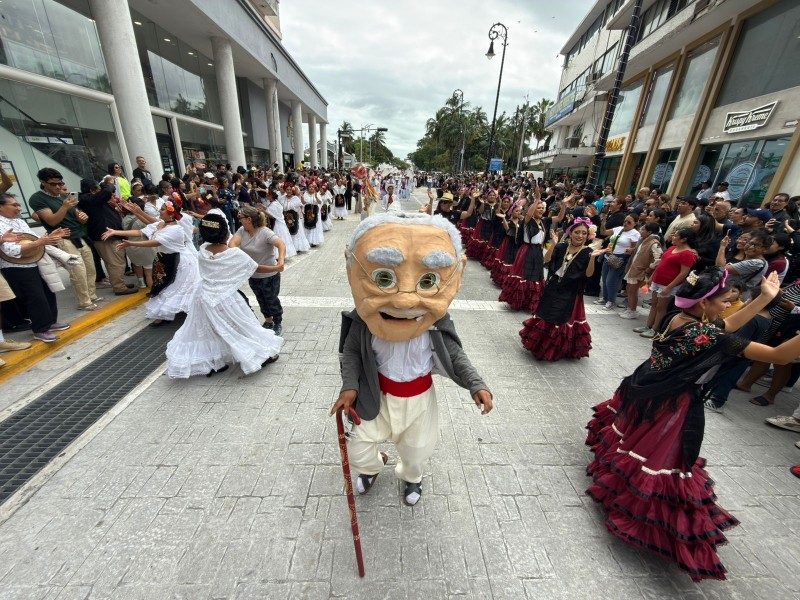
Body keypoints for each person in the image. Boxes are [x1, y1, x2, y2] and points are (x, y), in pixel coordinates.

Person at [585, 267, 800, 581]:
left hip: (650, 388)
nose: (730, 306)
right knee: (664, 461)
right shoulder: (706, 335)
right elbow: (779, 356)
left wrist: (764, 299)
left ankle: (623, 493)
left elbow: (725, 325)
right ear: (703, 303)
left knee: (639, 446)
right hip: (674, 403)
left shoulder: (680, 318)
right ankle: (649, 520)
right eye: (726, 300)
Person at [331, 212, 492, 507]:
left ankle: (411, 476)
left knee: (417, 451)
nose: (405, 302)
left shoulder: (435, 326)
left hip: (418, 400)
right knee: (358, 449)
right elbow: (351, 353)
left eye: (428, 280)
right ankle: (373, 466)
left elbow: (456, 356)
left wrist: (476, 384)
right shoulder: (364, 324)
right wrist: (349, 387)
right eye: (383, 278)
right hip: (376, 394)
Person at [165, 214, 281, 378]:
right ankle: (258, 355)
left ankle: (213, 363)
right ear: (226, 234)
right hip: (225, 298)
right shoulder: (234, 254)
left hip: (203, 297)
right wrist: (277, 267)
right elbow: (256, 267)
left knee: (208, 331)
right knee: (242, 327)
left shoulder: (203, 249)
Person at [519, 218, 602, 360]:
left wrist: (593, 258)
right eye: (577, 232)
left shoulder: (588, 251)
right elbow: (546, 260)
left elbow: (588, 275)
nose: (580, 236)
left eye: (584, 233)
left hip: (571, 291)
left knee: (561, 318)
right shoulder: (562, 247)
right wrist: (554, 244)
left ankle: (556, 349)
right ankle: (542, 344)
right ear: (570, 233)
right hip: (553, 287)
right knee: (546, 313)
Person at [105, 199, 199, 325]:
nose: (160, 211)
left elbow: (156, 242)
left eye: (163, 209)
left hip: (178, 262)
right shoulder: (160, 224)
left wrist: (131, 243)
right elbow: (140, 232)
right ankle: (163, 313)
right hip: (163, 260)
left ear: (171, 213)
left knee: (175, 287)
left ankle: (172, 312)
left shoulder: (176, 229)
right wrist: (116, 232)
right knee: (163, 287)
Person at [0, 194, 71, 343]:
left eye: (18, 205)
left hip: (34, 261)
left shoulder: (20, 221)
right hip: (16, 266)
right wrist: (40, 242)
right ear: (1, 207)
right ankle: (40, 329)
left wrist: (49, 237)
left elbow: (34, 239)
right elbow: (11, 250)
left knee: (47, 292)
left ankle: (50, 322)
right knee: (34, 297)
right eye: (14, 205)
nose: (19, 208)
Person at [29, 168, 99, 310]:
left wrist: (83, 217)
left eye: (60, 183)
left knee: (90, 268)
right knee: (78, 271)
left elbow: (79, 216)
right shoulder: (37, 198)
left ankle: (91, 295)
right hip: (63, 238)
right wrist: (64, 207)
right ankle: (84, 302)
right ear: (43, 183)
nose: (58, 187)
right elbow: (51, 221)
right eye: (53, 184)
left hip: (79, 235)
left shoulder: (63, 195)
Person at [231, 205, 286, 335]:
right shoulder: (242, 231)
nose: (239, 220)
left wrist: (281, 260)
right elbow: (232, 244)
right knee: (261, 299)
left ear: (249, 219)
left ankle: (277, 322)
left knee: (271, 299)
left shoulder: (265, 232)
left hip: (270, 275)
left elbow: (280, 244)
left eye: (241, 217)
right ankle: (268, 320)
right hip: (253, 274)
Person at [77, 178, 138, 298]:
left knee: (116, 262)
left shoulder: (93, 199)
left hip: (110, 234)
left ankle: (119, 283)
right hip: (106, 236)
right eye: (99, 189)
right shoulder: (87, 199)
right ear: (92, 190)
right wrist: (109, 184)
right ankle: (119, 287)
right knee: (116, 263)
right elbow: (106, 192)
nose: (102, 191)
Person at [636, 228, 698, 338]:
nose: (672, 237)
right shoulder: (672, 248)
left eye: (676, 236)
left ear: (684, 239)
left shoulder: (688, 254)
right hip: (658, 281)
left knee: (661, 307)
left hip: (669, 284)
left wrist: (669, 287)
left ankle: (655, 329)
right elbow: (661, 264)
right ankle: (648, 325)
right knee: (654, 304)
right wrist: (652, 278)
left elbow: (683, 273)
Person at [595, 213, 641, 310]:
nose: (625, 223)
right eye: (625, 221)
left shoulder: (635, 234)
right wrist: (603, 223)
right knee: (604, 279)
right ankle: (605, 298)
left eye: (629, 222)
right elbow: (603, 232)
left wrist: (629, 250)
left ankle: (611, 300)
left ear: (635, 223)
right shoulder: (618, 228)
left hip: (620, 259)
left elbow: (635, 248)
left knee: (611, 281)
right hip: (608, 256)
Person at [620, 222, 663, 320]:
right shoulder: (644, 240)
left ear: (649, 232)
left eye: (643, 229)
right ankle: (630, 308)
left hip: (640, 270)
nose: (640, 231)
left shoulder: (654, 243)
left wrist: (650, 268)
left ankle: (633, 311)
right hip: (635, 268)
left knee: (632, 290)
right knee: (629, 289)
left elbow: (659, 258)